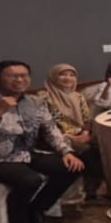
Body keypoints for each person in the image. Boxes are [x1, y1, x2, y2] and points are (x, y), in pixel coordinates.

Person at [0, 60, 85, 223]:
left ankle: (37, 209)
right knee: (30, 180)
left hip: (28, 154)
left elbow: (51, 131)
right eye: (12, 76)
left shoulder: (36, 102)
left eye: (24, 75)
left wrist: (67, 152)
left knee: (72, 167)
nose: (19, 80)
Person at [39, 63, 102, 199]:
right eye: (63, 75)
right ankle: (90, 192)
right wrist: (71, 137)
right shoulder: (44, 98)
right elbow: (44, 126)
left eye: (72, 75)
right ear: (53, 77)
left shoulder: (78, 96)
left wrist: (85, 133)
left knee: (104, 145)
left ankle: (98, 186)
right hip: (57, 137)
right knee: (87, 151)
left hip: (80, 134)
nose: (68, 78)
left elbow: (86, 120)